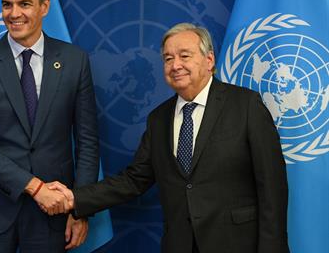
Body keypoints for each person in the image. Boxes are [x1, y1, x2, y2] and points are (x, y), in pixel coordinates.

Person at [51, 23, 289, 253]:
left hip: (238, 244)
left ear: (209, 60)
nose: (175, 65)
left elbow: (272, 185)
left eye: (184, 56)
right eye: (167, 58)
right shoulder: (159, 119)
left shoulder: (246, 105)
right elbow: (134, 180)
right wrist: (74, 198)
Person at [0, 0, 99, 253]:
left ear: (45, 6)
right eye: (7, 4)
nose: (14, 13)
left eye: (24, 4)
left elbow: (87, 142)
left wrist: (81, 208)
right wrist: (35, 187)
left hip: (52, 218)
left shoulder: (74, 61)